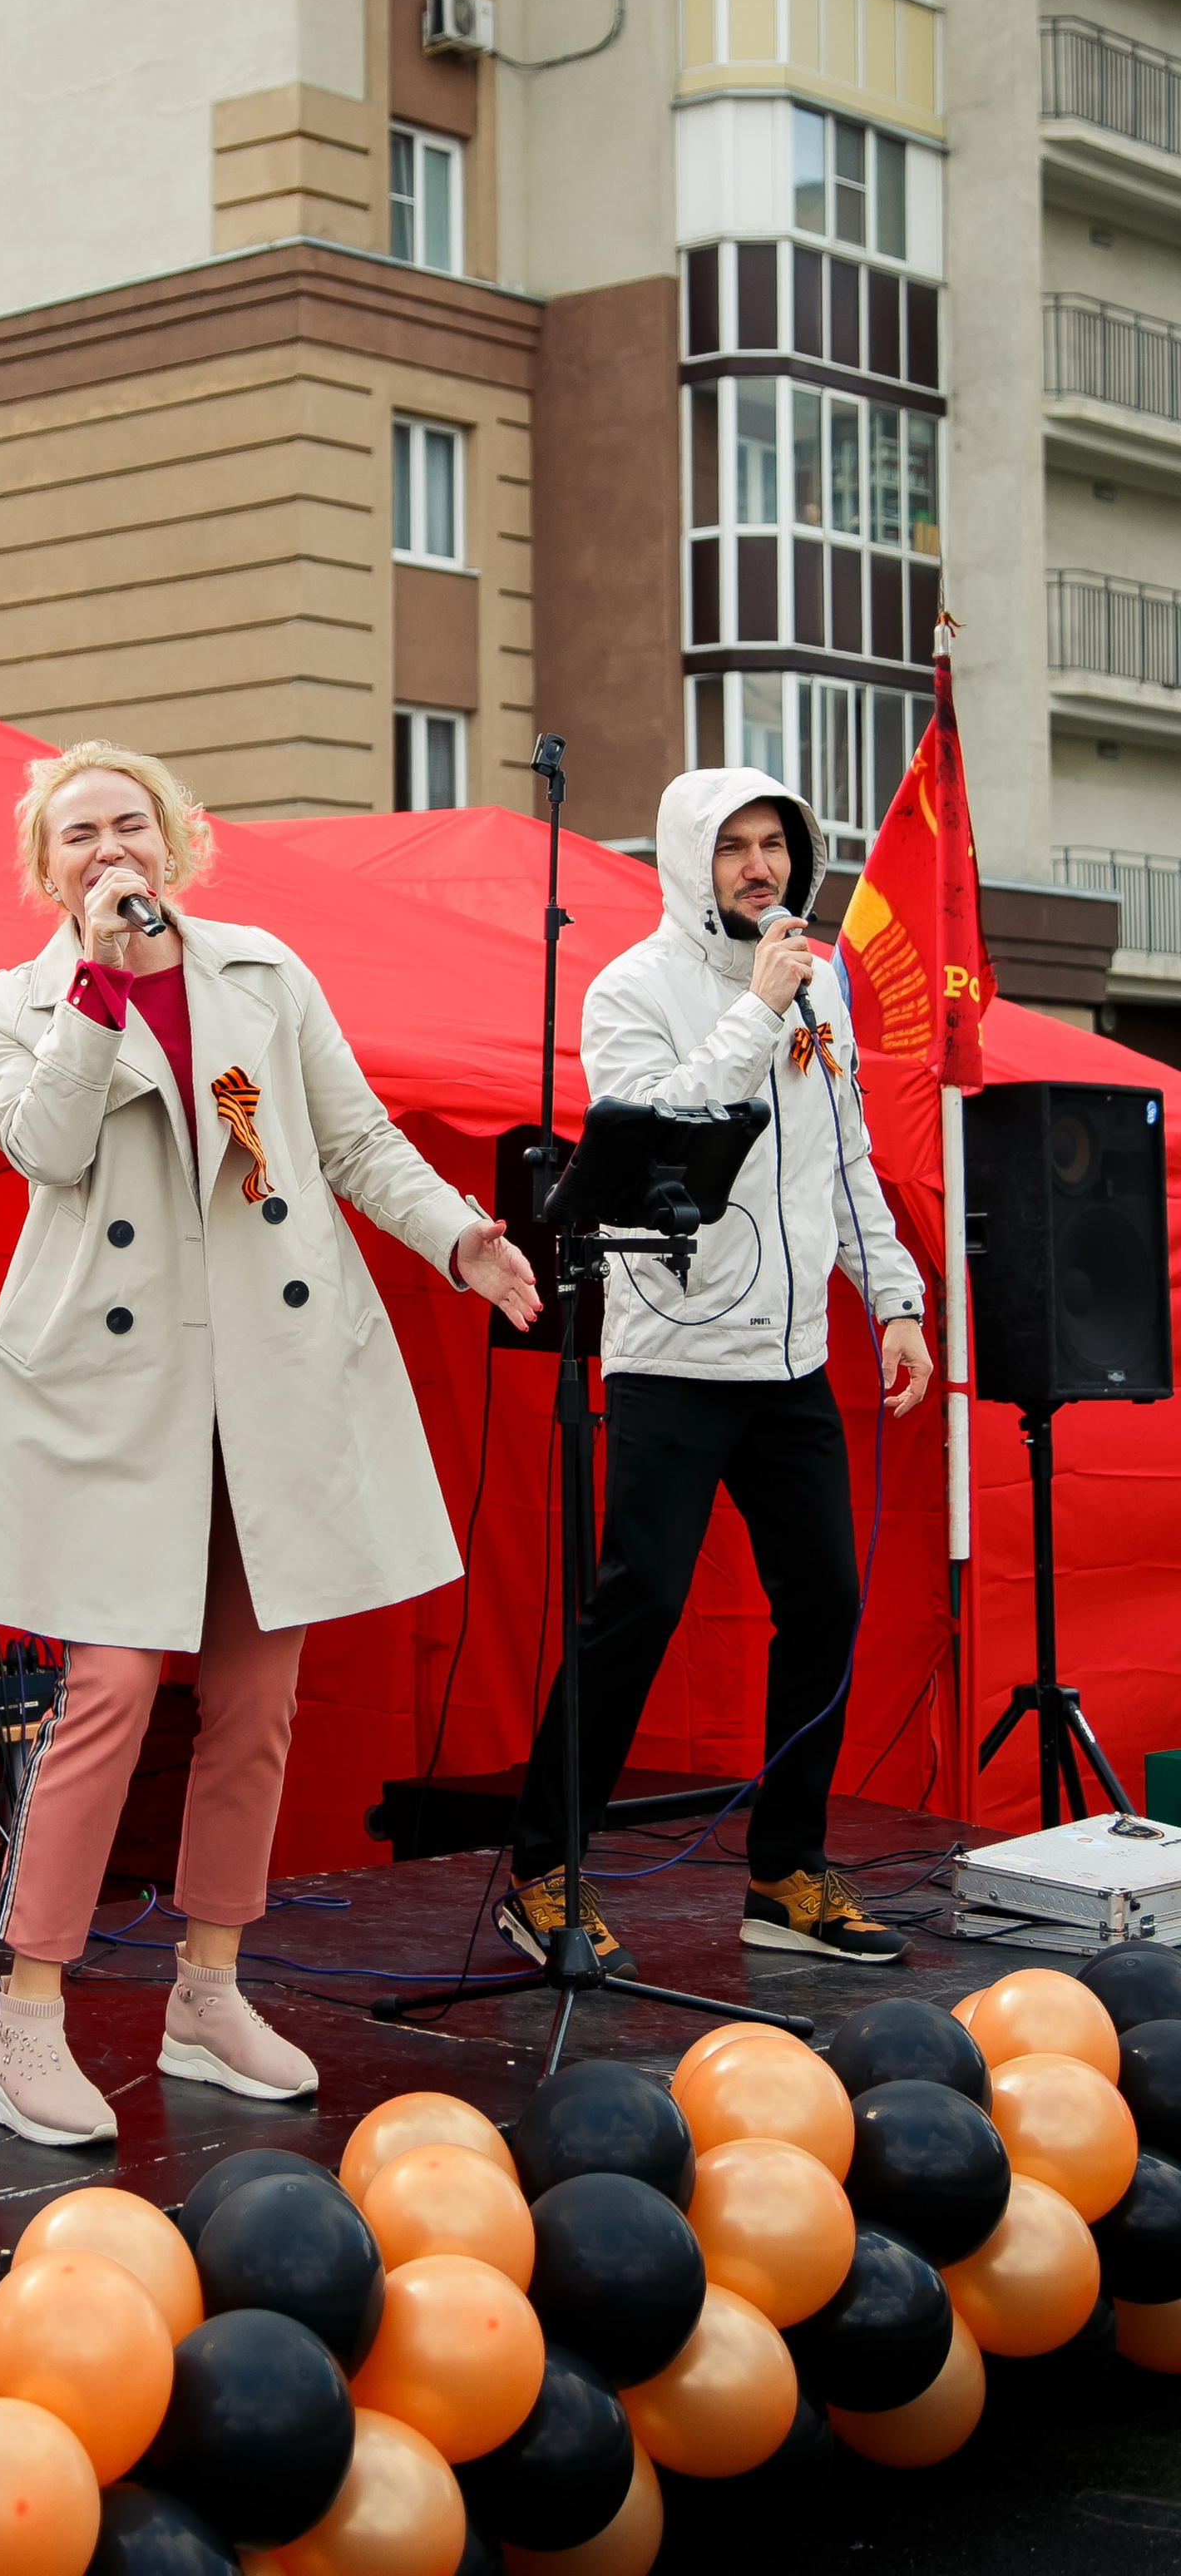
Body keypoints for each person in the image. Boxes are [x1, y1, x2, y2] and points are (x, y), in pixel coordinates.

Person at [0, 739, 541, 2146]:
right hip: (112, 1390)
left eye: (128, 825)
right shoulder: (14, 1003)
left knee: (261, 1699)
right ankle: (25, 2023)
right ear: (47, 868)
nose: (108, 850)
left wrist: (459, 1236)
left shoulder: (263, 970)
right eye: (77, 834)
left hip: (265, 1377)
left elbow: (353, 1138)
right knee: (112, 1689)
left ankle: (209, 1992)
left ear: (176, 841)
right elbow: (49, 1148)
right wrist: (98, 984)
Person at [500, 766, 934, 1978]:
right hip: (677, 1355)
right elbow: (658, 1129)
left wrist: (892, 1300)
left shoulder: (818, 976)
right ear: (691, 859)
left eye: (777, 844)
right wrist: (758, 1007)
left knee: (830, 1607)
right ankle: (544, 1871)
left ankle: (786, 1873)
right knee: (635, 1608)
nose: (762, 867)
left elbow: (845, 1155)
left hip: (792, 1359)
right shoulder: (630, 989)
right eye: (736, 846)